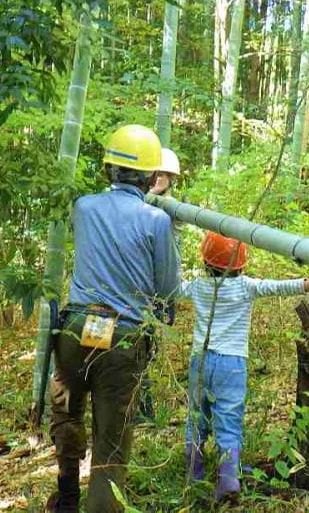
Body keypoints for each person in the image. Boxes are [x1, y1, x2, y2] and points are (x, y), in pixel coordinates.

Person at [48, 125, 180, 512]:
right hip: (122, 336)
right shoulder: (157, 221)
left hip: (74, 329)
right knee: (111, 440)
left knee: (67, 415)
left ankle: (66, 497)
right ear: (153, 177)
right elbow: (168, 288)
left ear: (109, 169)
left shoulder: (84, 207)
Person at [179, 232, 309, 500]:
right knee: (228, 421)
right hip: (231, 364)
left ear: (206, 261)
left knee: (196, 417)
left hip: (200, 360)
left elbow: (173, 286)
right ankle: (229, 477)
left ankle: (194, 476)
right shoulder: (246, 286)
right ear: (240, 264)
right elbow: (279, 287)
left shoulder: (199, 286)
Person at [136, 147, 182, 423]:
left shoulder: (170, 207)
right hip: (137, 282)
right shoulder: (138, 202)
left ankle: (143, 409)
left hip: (159, 284)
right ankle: (139, 407)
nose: (159, 178)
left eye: (165, 174)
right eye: (155, 172)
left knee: (143, 347)